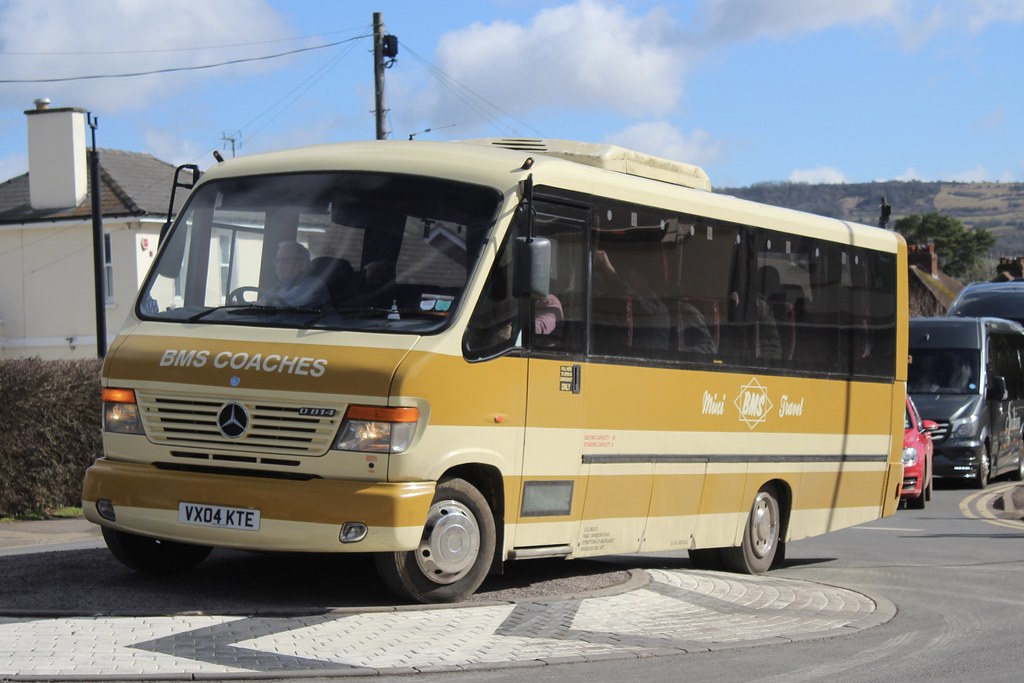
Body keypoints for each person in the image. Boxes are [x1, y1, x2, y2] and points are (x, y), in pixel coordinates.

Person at [261, 241, 330, 308]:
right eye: (277, 261)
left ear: (303, 264)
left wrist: (265, 303)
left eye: (285, 260)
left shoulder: (315, 285)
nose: (279, 265)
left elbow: (289, 305)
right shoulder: (277, 289)